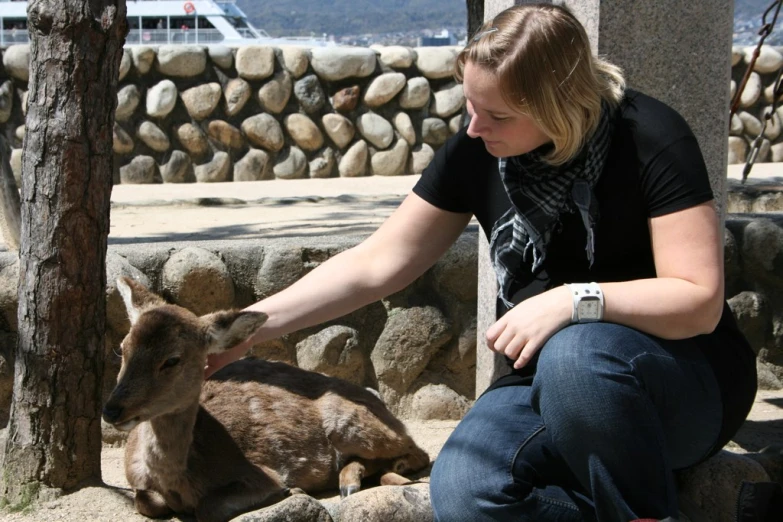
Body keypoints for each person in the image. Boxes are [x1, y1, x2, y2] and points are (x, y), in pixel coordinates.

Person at [205, 4, 757, 521]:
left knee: (574, 349)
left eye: (495, 114)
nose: (473, 126)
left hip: (681, 384)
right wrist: (249, 330)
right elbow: (378, 262)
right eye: (470, 104)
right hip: (540, 385)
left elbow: (699, 300)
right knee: (468, 490)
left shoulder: (649, 137)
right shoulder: (478, 151)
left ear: (558, 107)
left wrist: (571, 301)